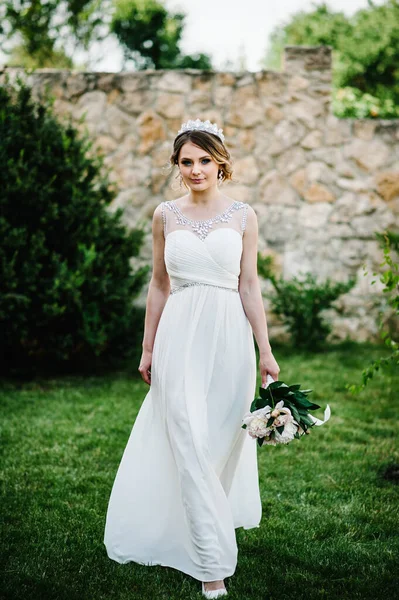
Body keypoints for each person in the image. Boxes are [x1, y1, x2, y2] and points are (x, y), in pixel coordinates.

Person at [103, 118, 280, 598]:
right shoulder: (165, 215)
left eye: (205, 160)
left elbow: (249, 284)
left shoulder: (244, 216)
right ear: (177, 166)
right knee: (189, 439)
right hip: (179, 335)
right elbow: (159, 283)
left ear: (220, 163)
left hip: (229, 337)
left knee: (220, 441)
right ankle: (211, 566)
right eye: (187, 162)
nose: (196, 169)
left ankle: (196, 524)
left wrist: (265, 349)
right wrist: (147, 345)